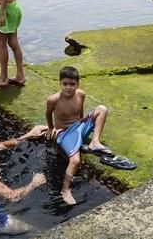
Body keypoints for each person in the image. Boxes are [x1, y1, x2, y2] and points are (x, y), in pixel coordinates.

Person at [45, 66, 112, 205]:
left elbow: (80, 111)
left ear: (78, 84)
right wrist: (51, 128)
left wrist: (84, 125)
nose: (68, 87)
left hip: (79, 126)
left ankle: (95, 141)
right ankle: (65, 189)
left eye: (72, 84)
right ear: (60, 83)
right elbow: (48, 114)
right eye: (65, 84)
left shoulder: (81, 94)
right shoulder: (53, 99)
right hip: (65, 133)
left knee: (102, 109)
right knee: (75, 161)